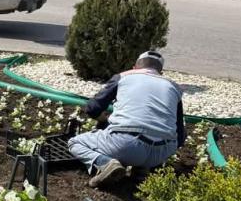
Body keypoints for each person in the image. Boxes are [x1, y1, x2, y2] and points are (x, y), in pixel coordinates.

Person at [68, 51, 186, 188]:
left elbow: (92, 108)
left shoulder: (124, 76)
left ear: (134, 67)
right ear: (161, 72)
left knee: (74, 142)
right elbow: (180, 135)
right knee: (150, 136)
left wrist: (103, 119)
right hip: (162, 152)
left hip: (127, 145)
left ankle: (106, 163)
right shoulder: (173, 87)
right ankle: (142, 169)